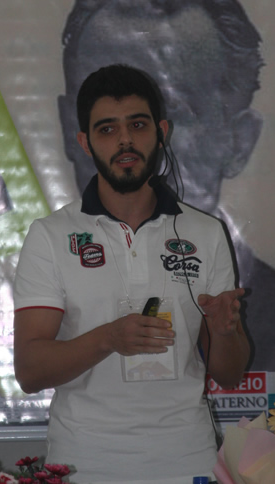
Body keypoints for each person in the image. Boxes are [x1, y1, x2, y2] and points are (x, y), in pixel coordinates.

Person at [58, 0, 275, 372]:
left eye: (172, 114)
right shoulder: (28, 294)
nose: (131, 144)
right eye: (105, 118)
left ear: (238, 142)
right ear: (70, 129)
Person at [14, 64, 250, 484]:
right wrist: (109, 338)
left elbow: (230, 374)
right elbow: (30, 371)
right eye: (107, 129)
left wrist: (225, 331)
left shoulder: (205, 232)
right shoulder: (50, 236)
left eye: (138, 125)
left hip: (188, 462)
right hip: (83, 464)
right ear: (85, 143)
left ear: (161, 132)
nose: (124, 140)